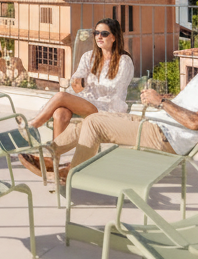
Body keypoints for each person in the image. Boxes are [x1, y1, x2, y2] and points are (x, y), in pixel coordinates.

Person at [49, 33, 198, 178]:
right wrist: (159, 99)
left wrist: (161, 102)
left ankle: (74, 173)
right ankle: (49, 156)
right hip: (155, 124)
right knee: (91, 119)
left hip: (166, 138)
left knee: (94, 124)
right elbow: (185, 106)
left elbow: (197, 122)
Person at [19, 18, 132, 176]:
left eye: (104, 33)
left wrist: (86, 84)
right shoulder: (89, 57)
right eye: (96, 33)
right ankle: (54, 159)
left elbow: (115, 89)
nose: (99, 36)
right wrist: (77, 82)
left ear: (114, 37)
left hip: (107, 108)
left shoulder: (124, 61)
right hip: (88, 102)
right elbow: (77, 79)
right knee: (60, 113)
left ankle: (34, 125)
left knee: (61, 96)